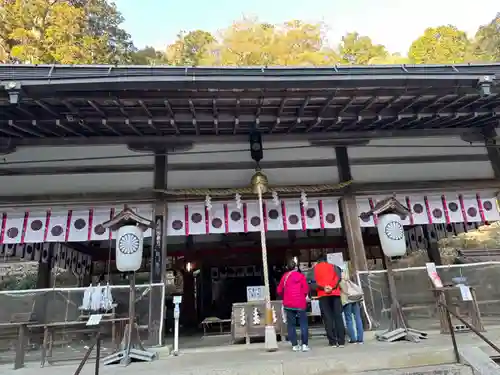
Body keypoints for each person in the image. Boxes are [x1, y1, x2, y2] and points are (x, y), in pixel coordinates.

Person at [277, 260, 310, 352]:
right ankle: (304, 345)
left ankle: (295, 345)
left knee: (291, 325)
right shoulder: (301, 276)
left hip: (289, 304)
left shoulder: (284, 277)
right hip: (300, 303)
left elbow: (279, 290)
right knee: (303, 324)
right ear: (296, 267)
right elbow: (305, 290)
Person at [313, 257, 345, 347]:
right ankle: (341, 341)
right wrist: (332, 287)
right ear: (326, 261)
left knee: (328, 318)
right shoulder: (334, 266)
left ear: (318, 262)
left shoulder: (314, 269)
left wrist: (323, 288)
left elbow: (312, 283)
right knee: (338, 317)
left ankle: (332, 341)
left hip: (323, 295)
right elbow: (339, 278)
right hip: (335, 294)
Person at [340, 276, 364, 344]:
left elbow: (344, 291)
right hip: (355, 299)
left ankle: (353, 339)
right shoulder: (349, 280)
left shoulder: (340, 281)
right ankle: (360, 339)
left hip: (347, 301)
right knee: (358, 318)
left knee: (349, 319)